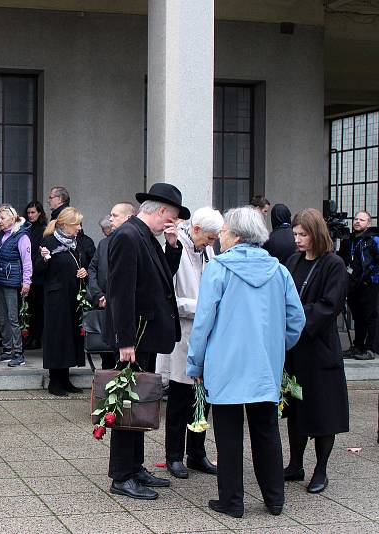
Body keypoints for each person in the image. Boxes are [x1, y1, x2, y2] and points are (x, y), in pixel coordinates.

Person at [187, 206, 305, 519]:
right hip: (264, 365)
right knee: (267, 432)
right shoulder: (278, 270)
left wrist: (195, 364)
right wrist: (276, 347)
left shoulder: (219, 269)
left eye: (224, 230)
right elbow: (296, 319)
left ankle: (232, 501)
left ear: (237, 235)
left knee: (228, 435)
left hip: (225, 364)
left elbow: (203, 323)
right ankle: (275, 499)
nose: (220, 235)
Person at [104, 183, 188, 500]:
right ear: (162, 211)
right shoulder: (128, 236)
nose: (176, 223)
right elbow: (120, 293)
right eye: (174, 218)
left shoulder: (145, 237)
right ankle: (122, 475)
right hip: (134, 338)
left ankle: (135, 466)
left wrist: (172, 245)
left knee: (139, 402)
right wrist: (125, 340)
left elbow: (162, 279)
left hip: (144, 336)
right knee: (127, 404)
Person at [283, 208, 349, 495]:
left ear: (316, 233)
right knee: (296, 410)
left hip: (320, 351)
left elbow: (329, 306)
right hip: (295, 350)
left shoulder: (332, 264)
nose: (297, 239)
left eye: (303, 234)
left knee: (323, 412)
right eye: (295, 234)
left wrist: (295, 317)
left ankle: (320, 469)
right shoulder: (293, 261)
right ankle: (295, 463)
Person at [161, 207, 223, 480]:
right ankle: (174, 455)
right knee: (179, 398)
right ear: (195, 229)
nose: (212, 244)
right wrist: (205, 307)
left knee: (203, 398)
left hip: (207, 335)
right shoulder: (175, 249)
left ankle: (197, 452)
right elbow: (170, 297)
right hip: (184, 333)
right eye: (209, 238)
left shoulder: (207, 251)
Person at [35, 206, 88, 394]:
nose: (79, 228)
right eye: (77, 224)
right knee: (57, 336)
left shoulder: (76, 243)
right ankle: (54, 381)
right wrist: (46, 260)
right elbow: (38, 271)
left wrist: (84, 272)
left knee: (69, 337)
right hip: (56, 298)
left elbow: (82, 264)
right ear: (65, 224)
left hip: (73, 296)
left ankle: (65, 378)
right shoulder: (48, 242)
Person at [87, 202, 135, 369]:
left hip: (121, 304)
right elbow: (92, 269)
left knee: (121, 355)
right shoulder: (103, 244)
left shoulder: (132, 240)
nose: (110, 222)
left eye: (114, 217)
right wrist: (98, 294)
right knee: (106, 350)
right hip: (103, 301)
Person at [0, 204, 32, 367]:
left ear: (12, 219)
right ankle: (7, 350)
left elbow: (27, 262)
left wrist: (27, 282)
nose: (0, 221)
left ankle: (18, 353)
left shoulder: (22, 236)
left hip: (12, 282)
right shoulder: (1, 235)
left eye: (3, 218)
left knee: (13, 317)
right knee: (2, 316)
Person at [337, 211, 379, 360]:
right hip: (353, 285)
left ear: (368, 223)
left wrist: (372, 276)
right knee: (358, 317)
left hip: (369, 284)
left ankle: (370, 349)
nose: (357, 222)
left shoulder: (373, 239)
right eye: (356, 219)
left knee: (371, 317)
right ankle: (358, 346)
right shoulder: (349, 240)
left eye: (362, 220)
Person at [24, 201, 47, 350]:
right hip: (28, 271)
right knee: (30, 309)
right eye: (29, 213)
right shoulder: (27, 228)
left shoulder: (43, 230)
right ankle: (30, 336)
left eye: (33, 212)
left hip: (38, 274)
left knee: (38, 309)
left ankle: (37, 338)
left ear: (39, 213)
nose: (30, 215)